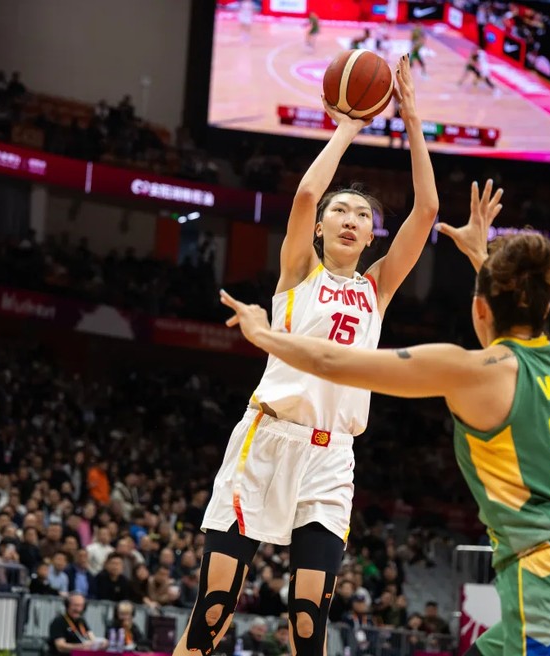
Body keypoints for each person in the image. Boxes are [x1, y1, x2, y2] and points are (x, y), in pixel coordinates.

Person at [220, 181, 550, 656]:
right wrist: (483, 257)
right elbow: (515, 314)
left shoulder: (470, 369)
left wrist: (264, 333)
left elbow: (336, 363)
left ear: (480, 310)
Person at [175, 56, 439, 656]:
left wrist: (414, 121)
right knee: (213, 612)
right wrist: (349, 125)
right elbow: (306, 192)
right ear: (319, 230)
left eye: (363, 216)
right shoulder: (299, 274)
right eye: (340, 212)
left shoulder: (377, 288)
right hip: (266, 442)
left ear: (373, 235)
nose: (351, 219)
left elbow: (425, 213)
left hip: (331, 459)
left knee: (308, 626)